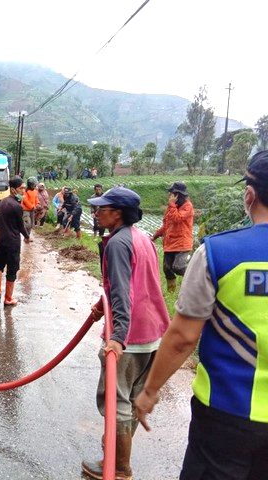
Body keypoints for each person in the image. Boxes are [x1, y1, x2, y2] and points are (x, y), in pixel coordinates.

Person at [135, 151, 268, 480]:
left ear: (249, 195)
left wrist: (150, 391)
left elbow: (182, 338)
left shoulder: (219, 252)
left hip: (227, 417)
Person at [82, 186, 170, 480]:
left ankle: (119, 468)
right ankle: (116, 456)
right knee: (130, 400)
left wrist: (117, 337)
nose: (96, 213)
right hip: (152, 333)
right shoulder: (141, 237)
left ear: (117, 213)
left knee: (117, 402)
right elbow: (133, 283)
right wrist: (98, 308)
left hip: (129, 339)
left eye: (101, 209)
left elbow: (121, 293)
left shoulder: (118, 244)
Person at [0, 176, 30, 306]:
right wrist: (28, 237)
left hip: (1, 241)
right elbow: (20, 226)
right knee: (12, 270)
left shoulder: (2, 202)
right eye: (21, 188)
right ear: (13, 189)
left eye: (24, 187)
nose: (23, 190)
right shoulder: (17, 206)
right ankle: (8, 298)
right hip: (13, 243)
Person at [152, 181, 194, 292]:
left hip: (182, 243)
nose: (169, 195)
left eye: (171, 193)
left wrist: (171, 204)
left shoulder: (187, 206)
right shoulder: (171, 207)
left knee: (178, 267)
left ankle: (195, 278)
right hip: (170, 243)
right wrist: (155, 236)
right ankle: (171, 293)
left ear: (177, 195)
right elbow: (166, 225)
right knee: (167, 269)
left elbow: (177, 218)